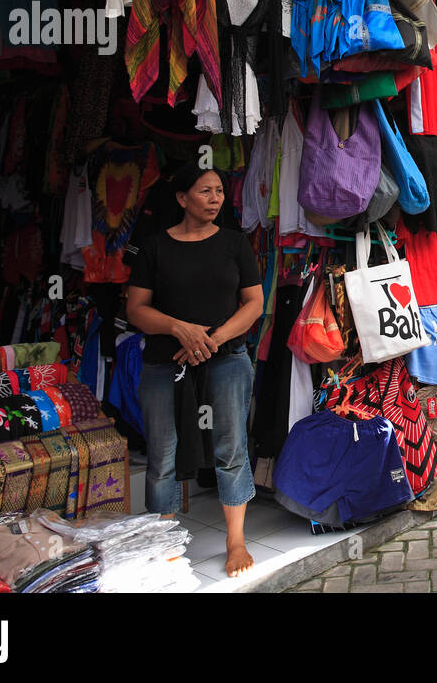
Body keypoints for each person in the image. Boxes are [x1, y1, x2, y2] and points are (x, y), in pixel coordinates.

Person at [125, 164, 265, 577]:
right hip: (164, 362)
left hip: (227, 358)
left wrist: (212, 339)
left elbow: (254, 304)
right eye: (206, 191)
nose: (216, 198)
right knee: (162, 451)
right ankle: (164, 543)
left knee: (230, 446)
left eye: (220, 191)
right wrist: (179, 329)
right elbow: (135, 309)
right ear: (182, 198)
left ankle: (235, 541)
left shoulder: (235, 244)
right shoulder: (155, 247)